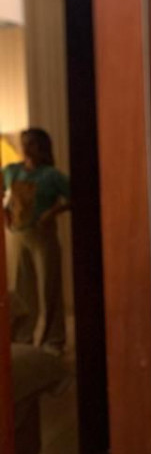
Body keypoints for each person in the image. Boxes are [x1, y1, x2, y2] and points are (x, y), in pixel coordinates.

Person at [2, 128, 72, 355]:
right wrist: (5, 213)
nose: (26, 148)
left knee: (48, 287)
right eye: (24, 143)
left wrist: (53, 212)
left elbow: (75, 196)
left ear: (42, 147)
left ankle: (54, 340)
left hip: (43, 236)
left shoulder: (51, 175)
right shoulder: (11, 171)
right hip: (18, 235)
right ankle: (24, 337)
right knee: (23, 289)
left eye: (31, 143)